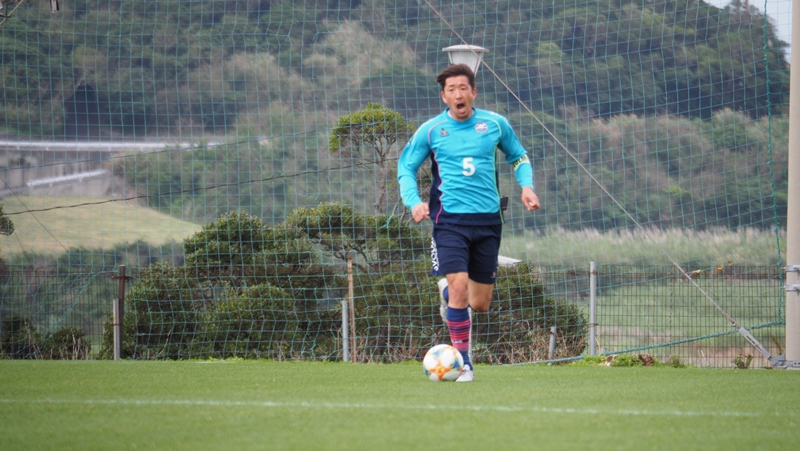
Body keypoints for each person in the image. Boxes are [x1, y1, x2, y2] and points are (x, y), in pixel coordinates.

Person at [397, 63, 540, 382]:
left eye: (463, 88)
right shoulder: (431, 130)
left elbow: (519, 156)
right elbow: (405, 167)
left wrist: (527, 186)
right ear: (444, 97)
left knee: (480, 303)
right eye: (452, 89)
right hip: (449, 223)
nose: (458, 94)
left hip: (488, 223)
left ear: (473, 92)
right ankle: (464, 364)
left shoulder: (495, 124)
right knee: (460, 285)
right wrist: (414, 201)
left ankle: (448, 294)